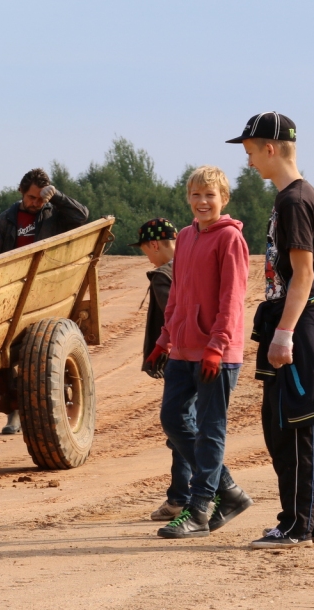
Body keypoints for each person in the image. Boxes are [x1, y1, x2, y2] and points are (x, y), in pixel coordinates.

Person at [227, 113, 314, 549]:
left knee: (292, 427)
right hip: (296, 319)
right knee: (285, 425)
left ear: (270, 148)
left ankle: (296, 525)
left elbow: (302, 273)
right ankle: (313, 519)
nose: (250, 162)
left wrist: (284, 334)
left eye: (251, 152)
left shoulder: (294, 200)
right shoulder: (295, 195)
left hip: (298, 321)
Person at [146, 166, 253, 539]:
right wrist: (164, 338)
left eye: (210, 195)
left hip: (216, 354)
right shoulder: (188, 236)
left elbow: (232, 299)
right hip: (182, 349)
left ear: (223, 199)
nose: (202, 201)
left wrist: (217, 345)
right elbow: (177, 295)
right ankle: (229, 491)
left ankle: (200, 508)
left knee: (210, 429)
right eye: (196, 195)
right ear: (188, 198)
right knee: (173, 419)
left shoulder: (230, 240)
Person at [0, 167, 89, 434]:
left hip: (46, 291)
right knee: (7, 351)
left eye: (40, 198)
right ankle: (14, 413)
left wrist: (58, 198)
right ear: (21, 192)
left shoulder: (54, 214)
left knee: (40, 351)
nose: (36, 203)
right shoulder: (6, 220)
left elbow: (83, 218)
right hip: (12, 290)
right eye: (31, 197)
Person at [130, 218, 190, 522]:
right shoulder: (191, 265)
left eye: (145, 251)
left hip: (181, 359)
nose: (147, 257)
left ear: (154, 244)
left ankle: (182, 497)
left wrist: (163, 349)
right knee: (186, 425)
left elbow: (174, 317)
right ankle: (183, 494)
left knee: (179, 428)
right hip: (199, 355)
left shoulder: (164, 275)